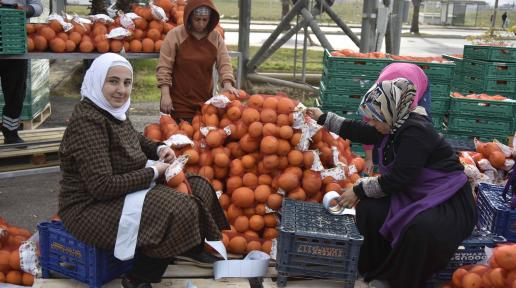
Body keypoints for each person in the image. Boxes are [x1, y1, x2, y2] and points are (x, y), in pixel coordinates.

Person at [58, 53, 229, 288]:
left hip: (118, 192)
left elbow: (133, 139)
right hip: (89, 207)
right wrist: (154, 172)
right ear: (97, 81)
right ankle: (139, 278)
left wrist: (160, 148)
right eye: (113, 81)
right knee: (178, 207)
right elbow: (102, 187)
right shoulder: (87, 122)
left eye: (127, 83)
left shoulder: (111, 111)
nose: (121, 90)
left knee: (198, 186)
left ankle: (189, 245)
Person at [306, 78, 476, 288]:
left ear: (389, 112)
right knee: (370, 209)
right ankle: (373, 268)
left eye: (375, 119)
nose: (372, 123)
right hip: (414, 192)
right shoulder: (392, 123)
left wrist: (359, 189)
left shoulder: (415, 131)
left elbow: (400, 178)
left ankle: (396, 280)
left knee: (420, 229)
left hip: (445, 199)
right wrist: (323, 117)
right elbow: (359, 130)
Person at [157, 0, 238, 123]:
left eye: (205, 20)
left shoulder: (215, 37)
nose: (201, 24)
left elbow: (224, 62)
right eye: (197, 19)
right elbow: (164, 67)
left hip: (205, 101)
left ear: (210, 19)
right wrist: (165, 94)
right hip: (178, 101)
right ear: (189, 17)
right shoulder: (175, 35)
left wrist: (227, 83)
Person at [362, 63, 431, 174]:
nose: (373, 124)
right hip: (390, 70)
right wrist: (369, 159)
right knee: (382, 132)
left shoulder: (410, 106)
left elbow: (410, 131)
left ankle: (422, 167)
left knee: (420, 133)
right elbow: (367, 130)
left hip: (417, 76)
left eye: (377, 121)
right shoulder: (371, 104)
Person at [0, 0, 43, 144]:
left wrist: (26, 9)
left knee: (16, 93)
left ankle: (11, 133)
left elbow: (38, 7)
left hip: (16, 43)